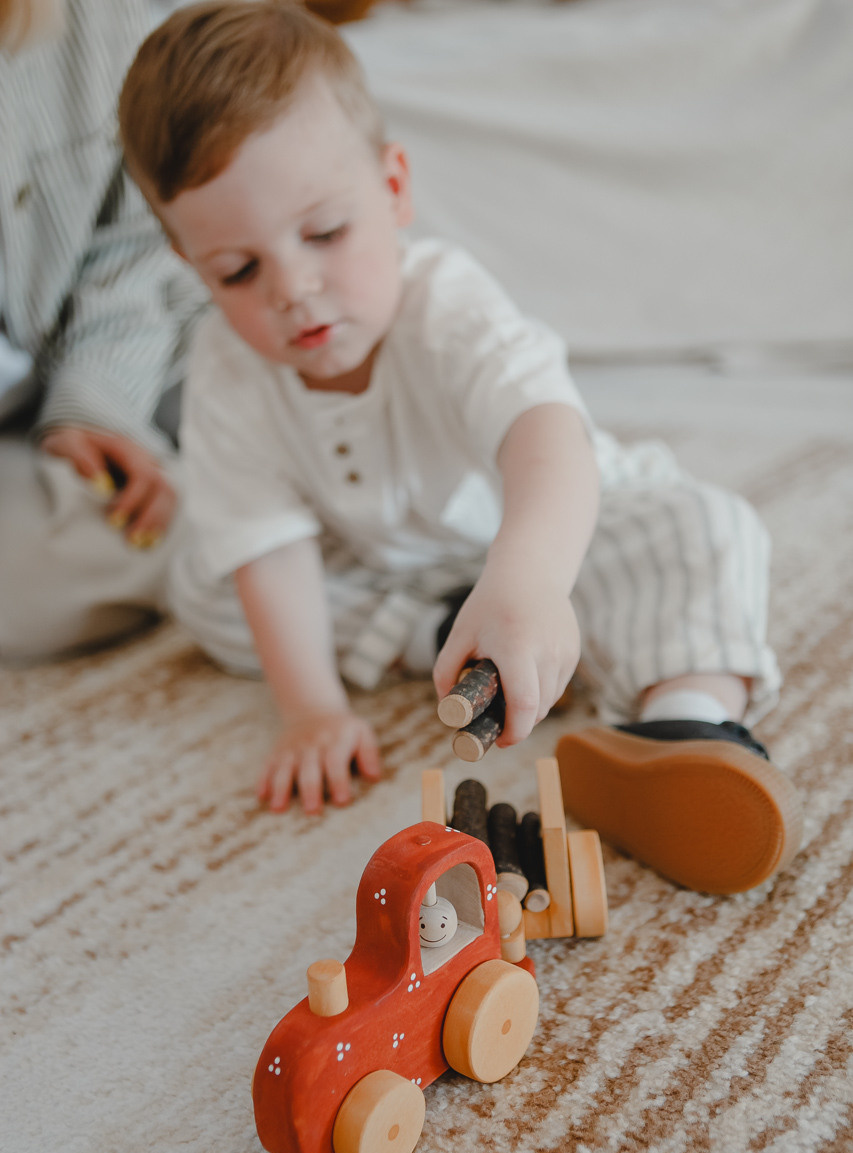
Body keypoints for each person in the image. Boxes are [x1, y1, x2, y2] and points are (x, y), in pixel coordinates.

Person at [117, 0, 802, 894]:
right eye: (237, 272)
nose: (293, 289)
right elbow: (265, 543)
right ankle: (449, 638)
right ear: (191, 265)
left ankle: (682, 725)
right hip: (384, 567)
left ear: (394, 189)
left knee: (704, 530)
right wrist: (311, 709)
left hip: (547, 534)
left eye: (324, 234)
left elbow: (543, 436)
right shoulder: (225, 367)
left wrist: (525, 579)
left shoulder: (446, 303)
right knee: (209, 587)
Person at [0, 0, 203, 662]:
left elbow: (140, 236)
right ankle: (260, 534)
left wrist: (97, 403)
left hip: (118, 330)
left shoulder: (108, 18)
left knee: (320, 371)